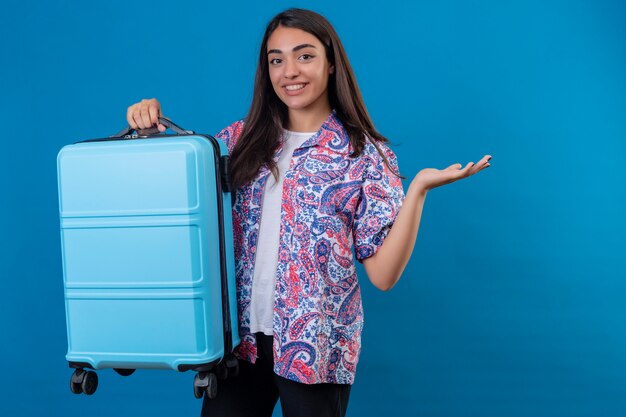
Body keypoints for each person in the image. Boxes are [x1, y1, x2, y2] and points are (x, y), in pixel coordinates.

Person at [126, 8, 491, 417]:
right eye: (276, 60)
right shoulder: (237, 141)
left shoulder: (365, 156)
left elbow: (383, 276)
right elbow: (177, 197)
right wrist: (150, 132)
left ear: (331, 62)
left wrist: (419, 190)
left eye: (304, 56)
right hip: (237, 346)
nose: (289, 71)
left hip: (317, 348)